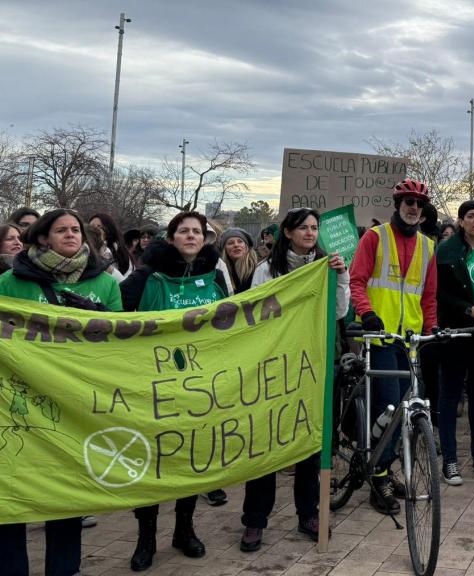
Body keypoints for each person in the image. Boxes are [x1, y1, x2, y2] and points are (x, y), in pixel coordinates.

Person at [0, 209, 123, 576]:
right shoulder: (11, 281)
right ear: (42, 238)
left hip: (75, 406)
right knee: (12, 494)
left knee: (66, 496)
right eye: (61, 230)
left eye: (76, 230)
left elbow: (122, 342)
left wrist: (100, 315)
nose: (71, 235)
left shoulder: (105, 284)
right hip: (19, 405)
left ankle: (64, 570)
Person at [119, 211, 229, 571]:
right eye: (184, 231)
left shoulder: (214, 278)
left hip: (199, 387)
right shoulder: (147, 275)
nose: (192, 236)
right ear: (171, 237)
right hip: (154, 385)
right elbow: (116, 316)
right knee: (152, 463)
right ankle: (145, 540)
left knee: (188, 461)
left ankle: (184, 530)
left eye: (198, 231)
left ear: (205, 239)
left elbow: (228, 324)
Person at [238, 208, 349, 550]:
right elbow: (257, 314)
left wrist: (341, 278)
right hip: (275, 367)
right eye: (303, 227)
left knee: (311, 442)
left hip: (313, 364)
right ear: (287, 232)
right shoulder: (265, 270)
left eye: (315, 227)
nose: (310, 233)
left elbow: (340, 311)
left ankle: (309, 514)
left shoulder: (327, 265)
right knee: (266, 443)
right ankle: (255, 520)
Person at [350, 178, 439, 515]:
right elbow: (358, 281)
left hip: (411, 341)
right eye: (408, 201)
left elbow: (428, 297)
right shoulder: (375, 237)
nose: (413, 207)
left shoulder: (429, 247)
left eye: (419, 203)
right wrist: (367, 312)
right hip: (380, 338)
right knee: (387, 408)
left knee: (405, 411)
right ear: (398, 203)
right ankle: (379, 476)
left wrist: (432, 330)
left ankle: (386, 466)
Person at [435, 200, 474, 485]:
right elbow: (439, 293)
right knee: (449, 396)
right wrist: (466, 308)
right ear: (460, 221)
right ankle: (449, 460)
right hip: (455, 332)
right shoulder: (447, 252)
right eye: (471, 216)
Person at [88, 213, 134, 279]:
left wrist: (110, 270)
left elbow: (126, 283)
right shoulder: (82, 250)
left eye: (99, 226)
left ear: (108, 230)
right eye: (91, 226)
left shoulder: (121, 253)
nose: (94, 230)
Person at [220, 227, 258, 293]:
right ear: (225, 249)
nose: (236, 245)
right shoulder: (220, 272)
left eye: (240, 241)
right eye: (230, 243)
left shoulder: (258, 269)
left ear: (246, 246)